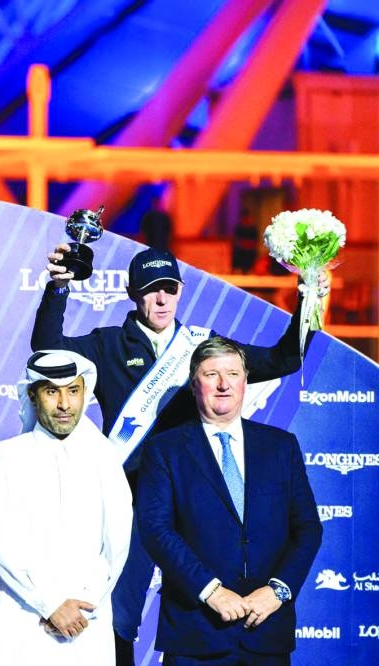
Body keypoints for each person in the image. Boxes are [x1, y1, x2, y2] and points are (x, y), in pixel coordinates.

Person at [29, 244, 328, 663]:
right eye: (152, 290)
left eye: (170, 289)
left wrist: (309, 298)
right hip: (132, 500)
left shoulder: (204, 347)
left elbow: (286, 357)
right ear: (134, 292)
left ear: (182, 291)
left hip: (196, 500)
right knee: (120, 615)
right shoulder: (108, 343)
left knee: (207, 603)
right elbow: (47, 351)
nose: (162, 299)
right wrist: (58, 288)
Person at [136, 336, 322, 664]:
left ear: (246, 382)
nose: (224, 384)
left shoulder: (281, 446)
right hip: (196, 634)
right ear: (194, 386)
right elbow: (155, 530)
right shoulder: (165, 450)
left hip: (266, 631)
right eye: (211, 375)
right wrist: (211, 591)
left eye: (233, 374)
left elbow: (307, 528)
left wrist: (277, 591)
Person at [0, 350, 132, 664]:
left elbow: (117, 544)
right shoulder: (4, 457)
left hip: (85, 620)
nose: (64, 404)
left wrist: (84, 602)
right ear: (33, 396)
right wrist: (49, 605)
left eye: (73, 391)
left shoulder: (103, 458)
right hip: (18, 620)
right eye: (52, 392)